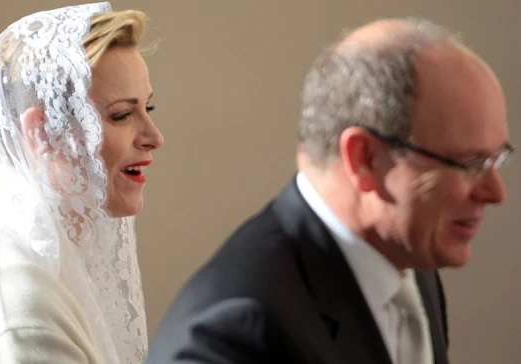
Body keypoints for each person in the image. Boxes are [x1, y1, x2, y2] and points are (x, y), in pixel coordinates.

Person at [145, 18, 513, 364]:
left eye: (498, 159)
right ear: (365, 159)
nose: (497, 192)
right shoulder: (231, 336)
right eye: (470, 164)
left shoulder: (408, 253)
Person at [0, 2, 163, 363]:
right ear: (42, 133)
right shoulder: (23, 316)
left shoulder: (46, 257)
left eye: (149, 108)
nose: (153, 137)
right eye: (122, 114)